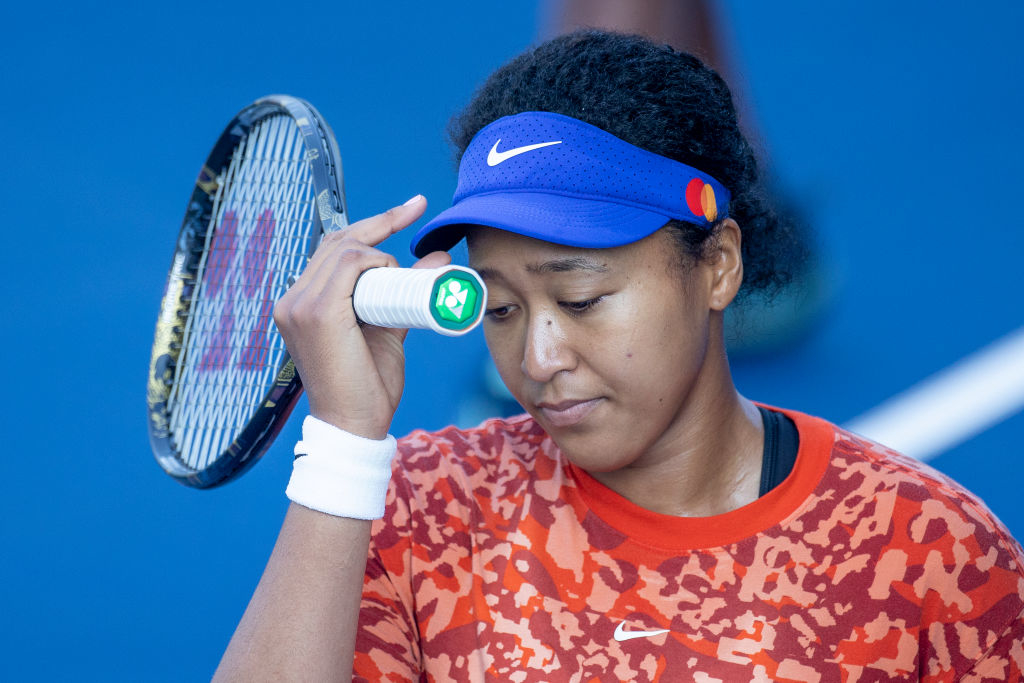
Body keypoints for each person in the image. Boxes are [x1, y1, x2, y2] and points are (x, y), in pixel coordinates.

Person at [214, 31, 1024, 681]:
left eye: (581, 299)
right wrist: (345, 444)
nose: (537, 356)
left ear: (717, 265)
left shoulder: (930, 553)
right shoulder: (420, 510)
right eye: (500, 307)